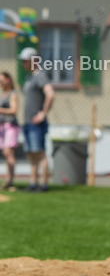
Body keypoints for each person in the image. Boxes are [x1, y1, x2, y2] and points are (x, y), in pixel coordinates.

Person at [19, 48, 54, 192]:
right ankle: (33, 183)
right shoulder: (30, 78)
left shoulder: (40, 76)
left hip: (36, 123)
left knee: (39, 153)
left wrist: (43, 113)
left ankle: (43, 184)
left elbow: (50, 94)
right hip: (27, 122)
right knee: (31, 154)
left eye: (25, 61)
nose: (23, 64)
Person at [0, 71, 19, 191]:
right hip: (2, 127)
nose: (1, 83)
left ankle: (11, 181)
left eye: (2, 80)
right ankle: (8, 181)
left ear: (9, 80)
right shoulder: (4, 95)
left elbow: (14, 110)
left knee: (8, 153)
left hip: (10, 126)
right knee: (6, 154)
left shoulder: (13, 94)